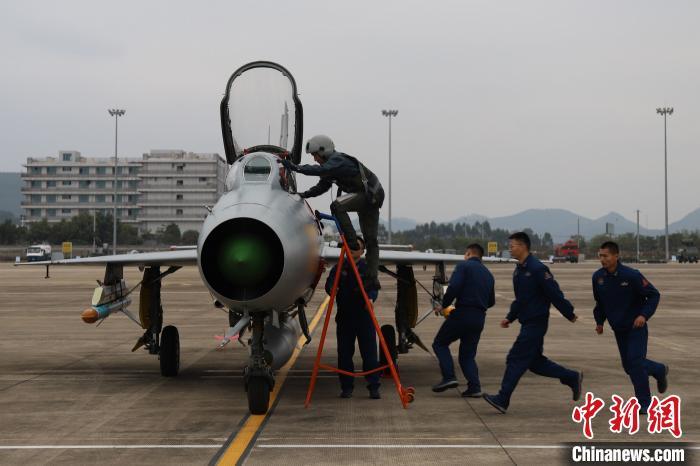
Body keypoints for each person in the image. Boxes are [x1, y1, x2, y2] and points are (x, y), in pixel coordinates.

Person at [483, 232, 582, 413]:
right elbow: (521, 299)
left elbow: (554, 293)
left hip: (536, 322)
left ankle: (502, 399)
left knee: (515, 358)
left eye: (512, 246)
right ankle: (571, 376)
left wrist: (569, 313)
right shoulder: (519, 270)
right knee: (535, 363)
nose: (510, 249)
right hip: (527, 321)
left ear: (523, 246)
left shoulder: (537, 269)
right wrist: (510, 317)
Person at [278, 135, 385, 291]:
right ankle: (372, 278)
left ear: (324, 150)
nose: (315, 159)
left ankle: (353, 244)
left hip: (368, 196)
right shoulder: (331, 168)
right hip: (370, 198)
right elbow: (322, 187)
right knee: (371, 241)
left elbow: (320, 170)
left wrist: (294, 167)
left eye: (315, 155)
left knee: (337, 206)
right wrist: (304, 194)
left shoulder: (338, 161)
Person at [592, 241, 668, 413]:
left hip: (636, 328)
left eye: (606, 256)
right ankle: (659, 369)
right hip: (618, 329)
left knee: (635, 362)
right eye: (600, 256)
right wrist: (599, 322)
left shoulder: (631, 275)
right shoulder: (598, 278)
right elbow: (600, 303)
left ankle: (645, 403)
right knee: (629, 367)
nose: (602, 259)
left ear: (616, 256)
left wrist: (643, 315)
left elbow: (654, 295)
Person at [431, 243, 495, 397]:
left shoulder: (463, 266)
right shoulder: (488, 274)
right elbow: (491, 301)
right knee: (467, 355)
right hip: (479, 318)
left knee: (440, 343)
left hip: (463, 314)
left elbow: (454, 287)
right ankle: (475, 387)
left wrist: (443, 305)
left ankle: (449, 377)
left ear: (468, 254)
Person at [324, 237, 381, 399]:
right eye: (350, 247)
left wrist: (370, 298)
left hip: (364, 317)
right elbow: (329, 286)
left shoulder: (367, 268)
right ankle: (347, 387)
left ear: (362, 251)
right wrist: (331, 289)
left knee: (369, 353)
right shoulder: (339, 268)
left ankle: (374, 387)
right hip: (345, 317)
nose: (353, 249)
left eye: (357, 247)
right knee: (344, 353)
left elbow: (373, 287)